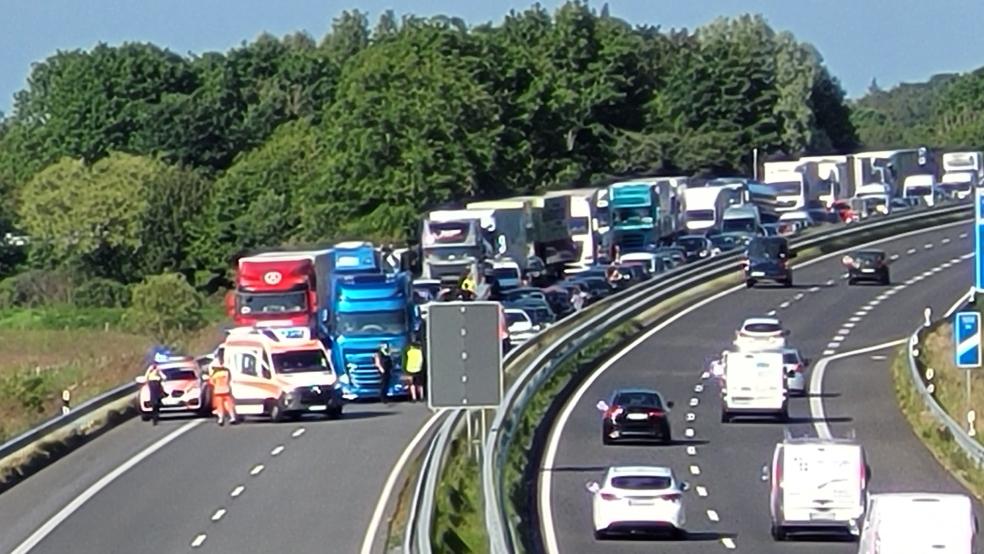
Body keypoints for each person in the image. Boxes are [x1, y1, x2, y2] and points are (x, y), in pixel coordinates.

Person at [208, 351, 237, 426]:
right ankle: (232, 417)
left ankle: (221, 418)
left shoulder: (215, 374)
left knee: (219, 406)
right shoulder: (226, 372)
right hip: (226, 390)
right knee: (230, 404)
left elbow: (211, 382)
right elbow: (229, 379)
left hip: (217, 391)